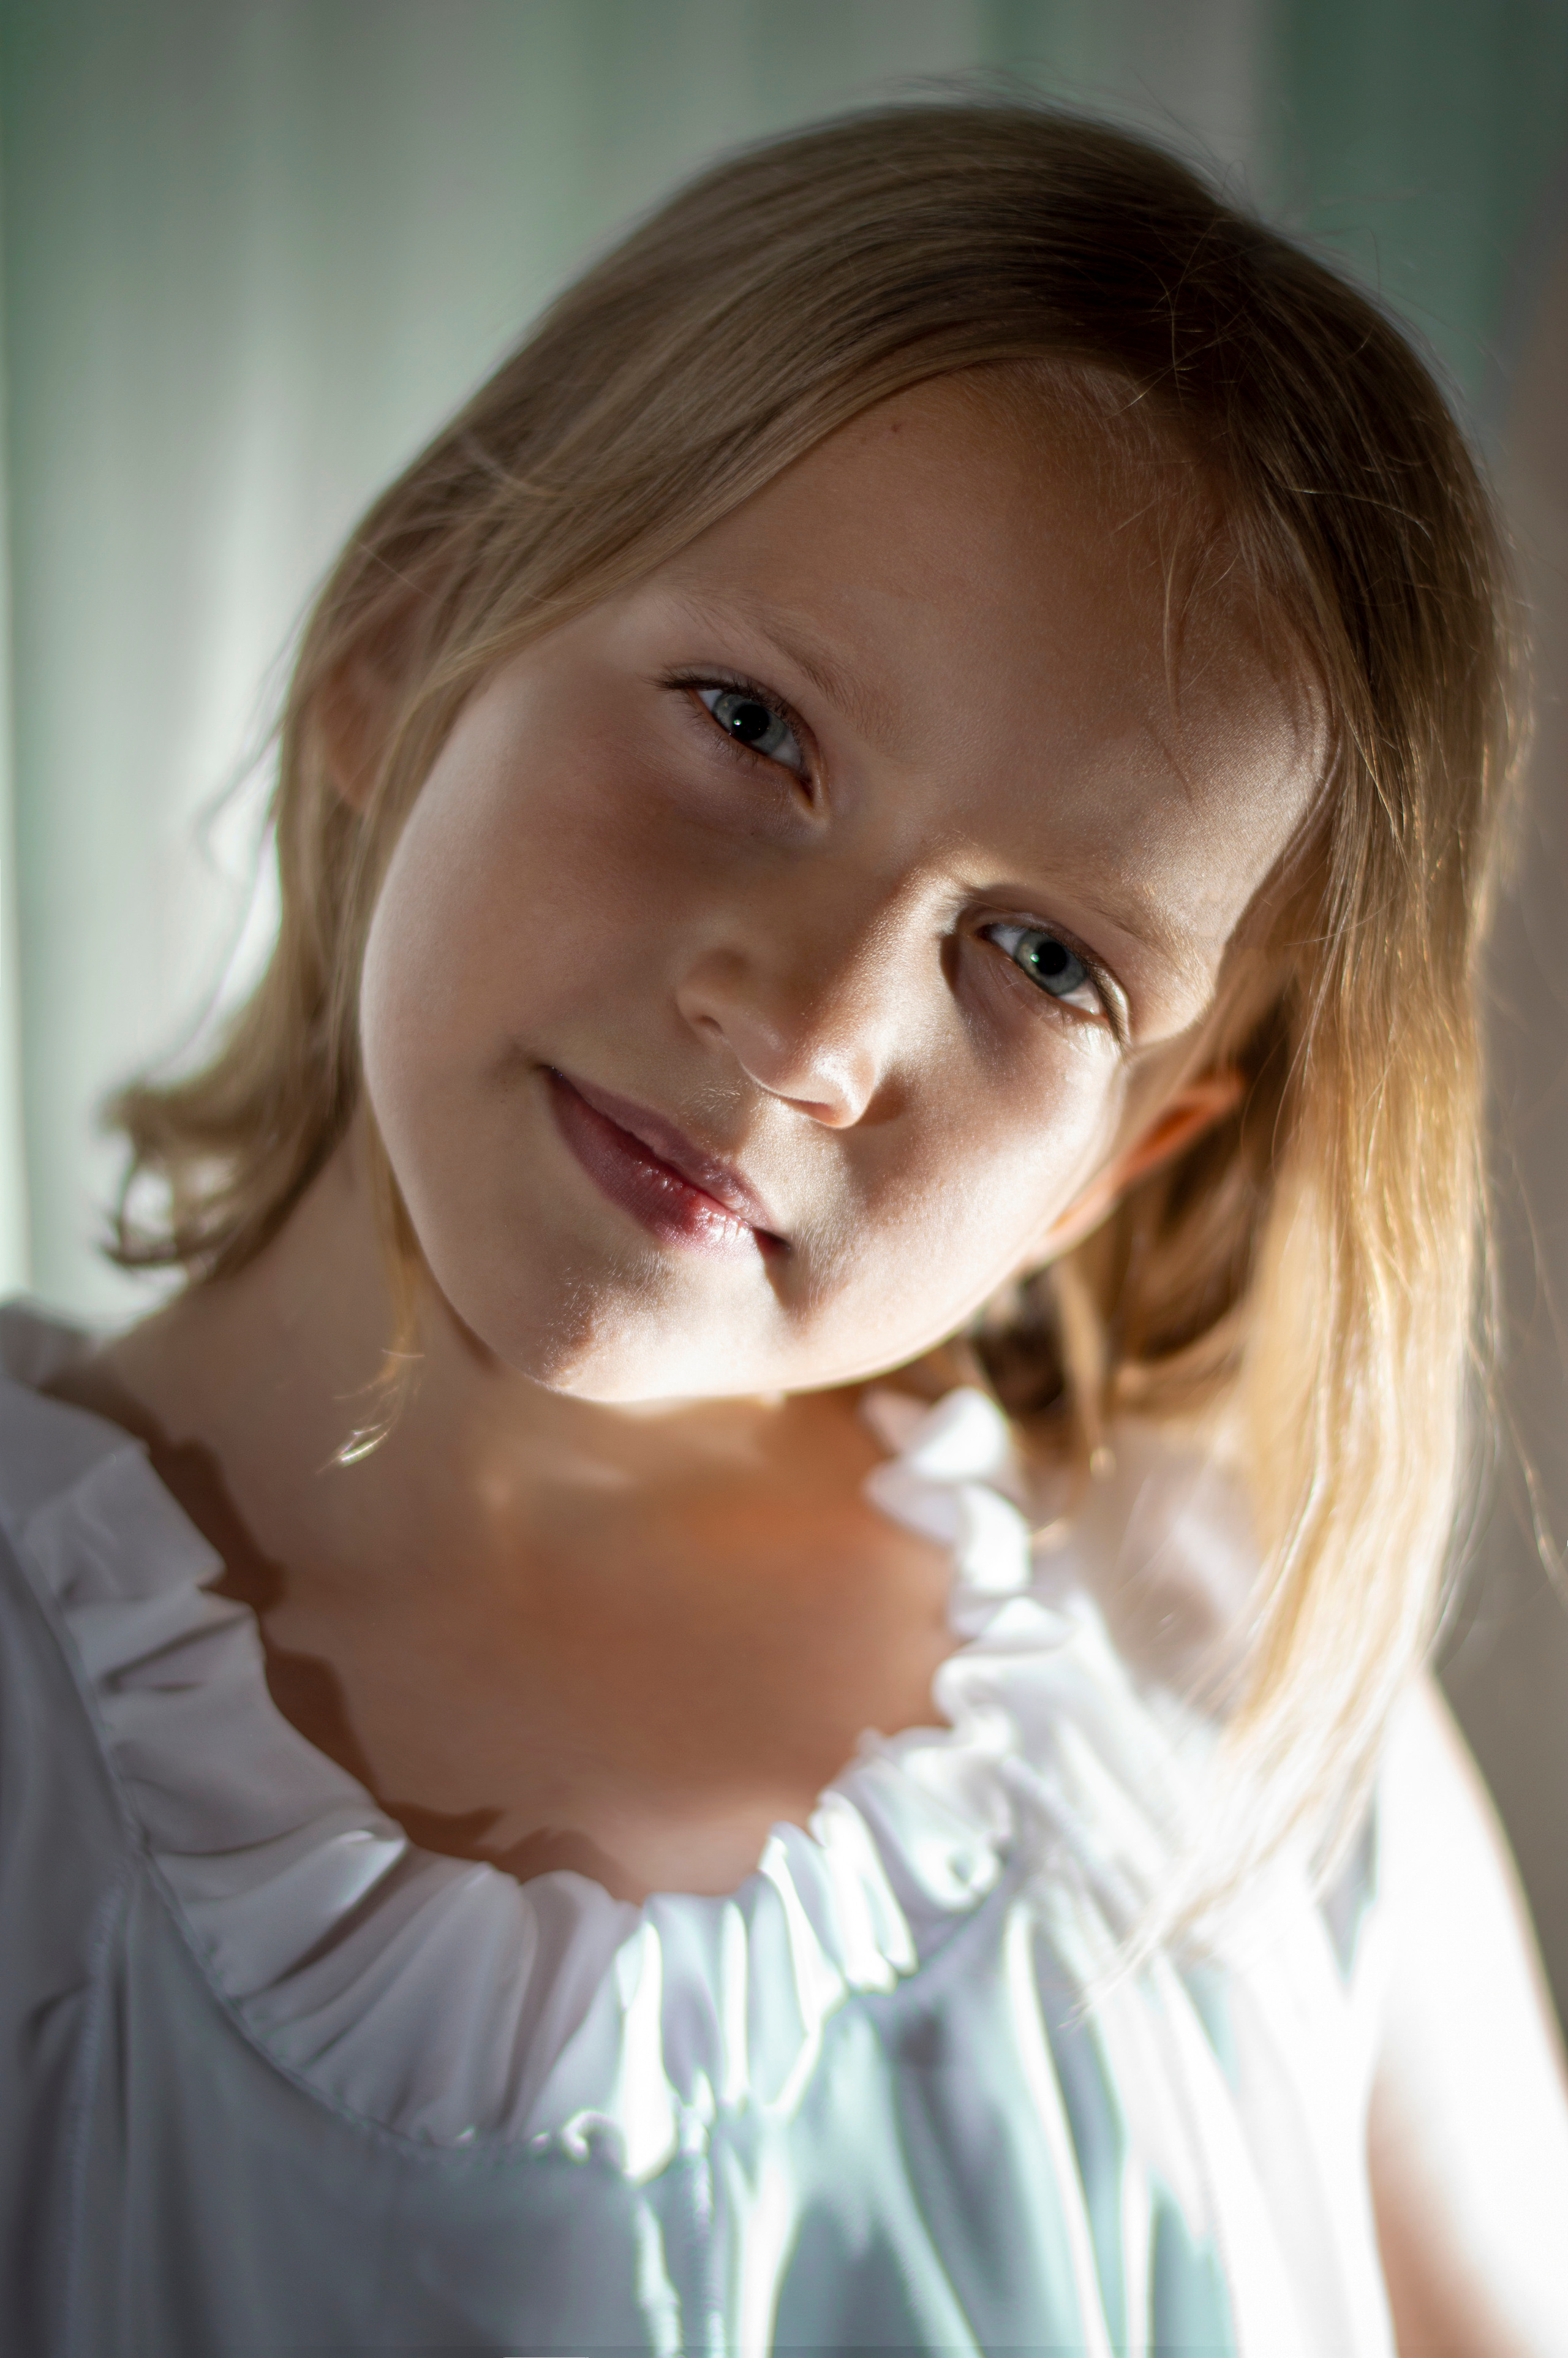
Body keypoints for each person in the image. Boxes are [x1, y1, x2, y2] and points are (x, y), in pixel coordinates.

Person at [2, 97, 1565, 2357]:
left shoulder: (1221, 1718)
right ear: (400, 644)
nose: (816, 1024)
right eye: (753, 723)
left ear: (1124, 1162)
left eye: (1045, 960)